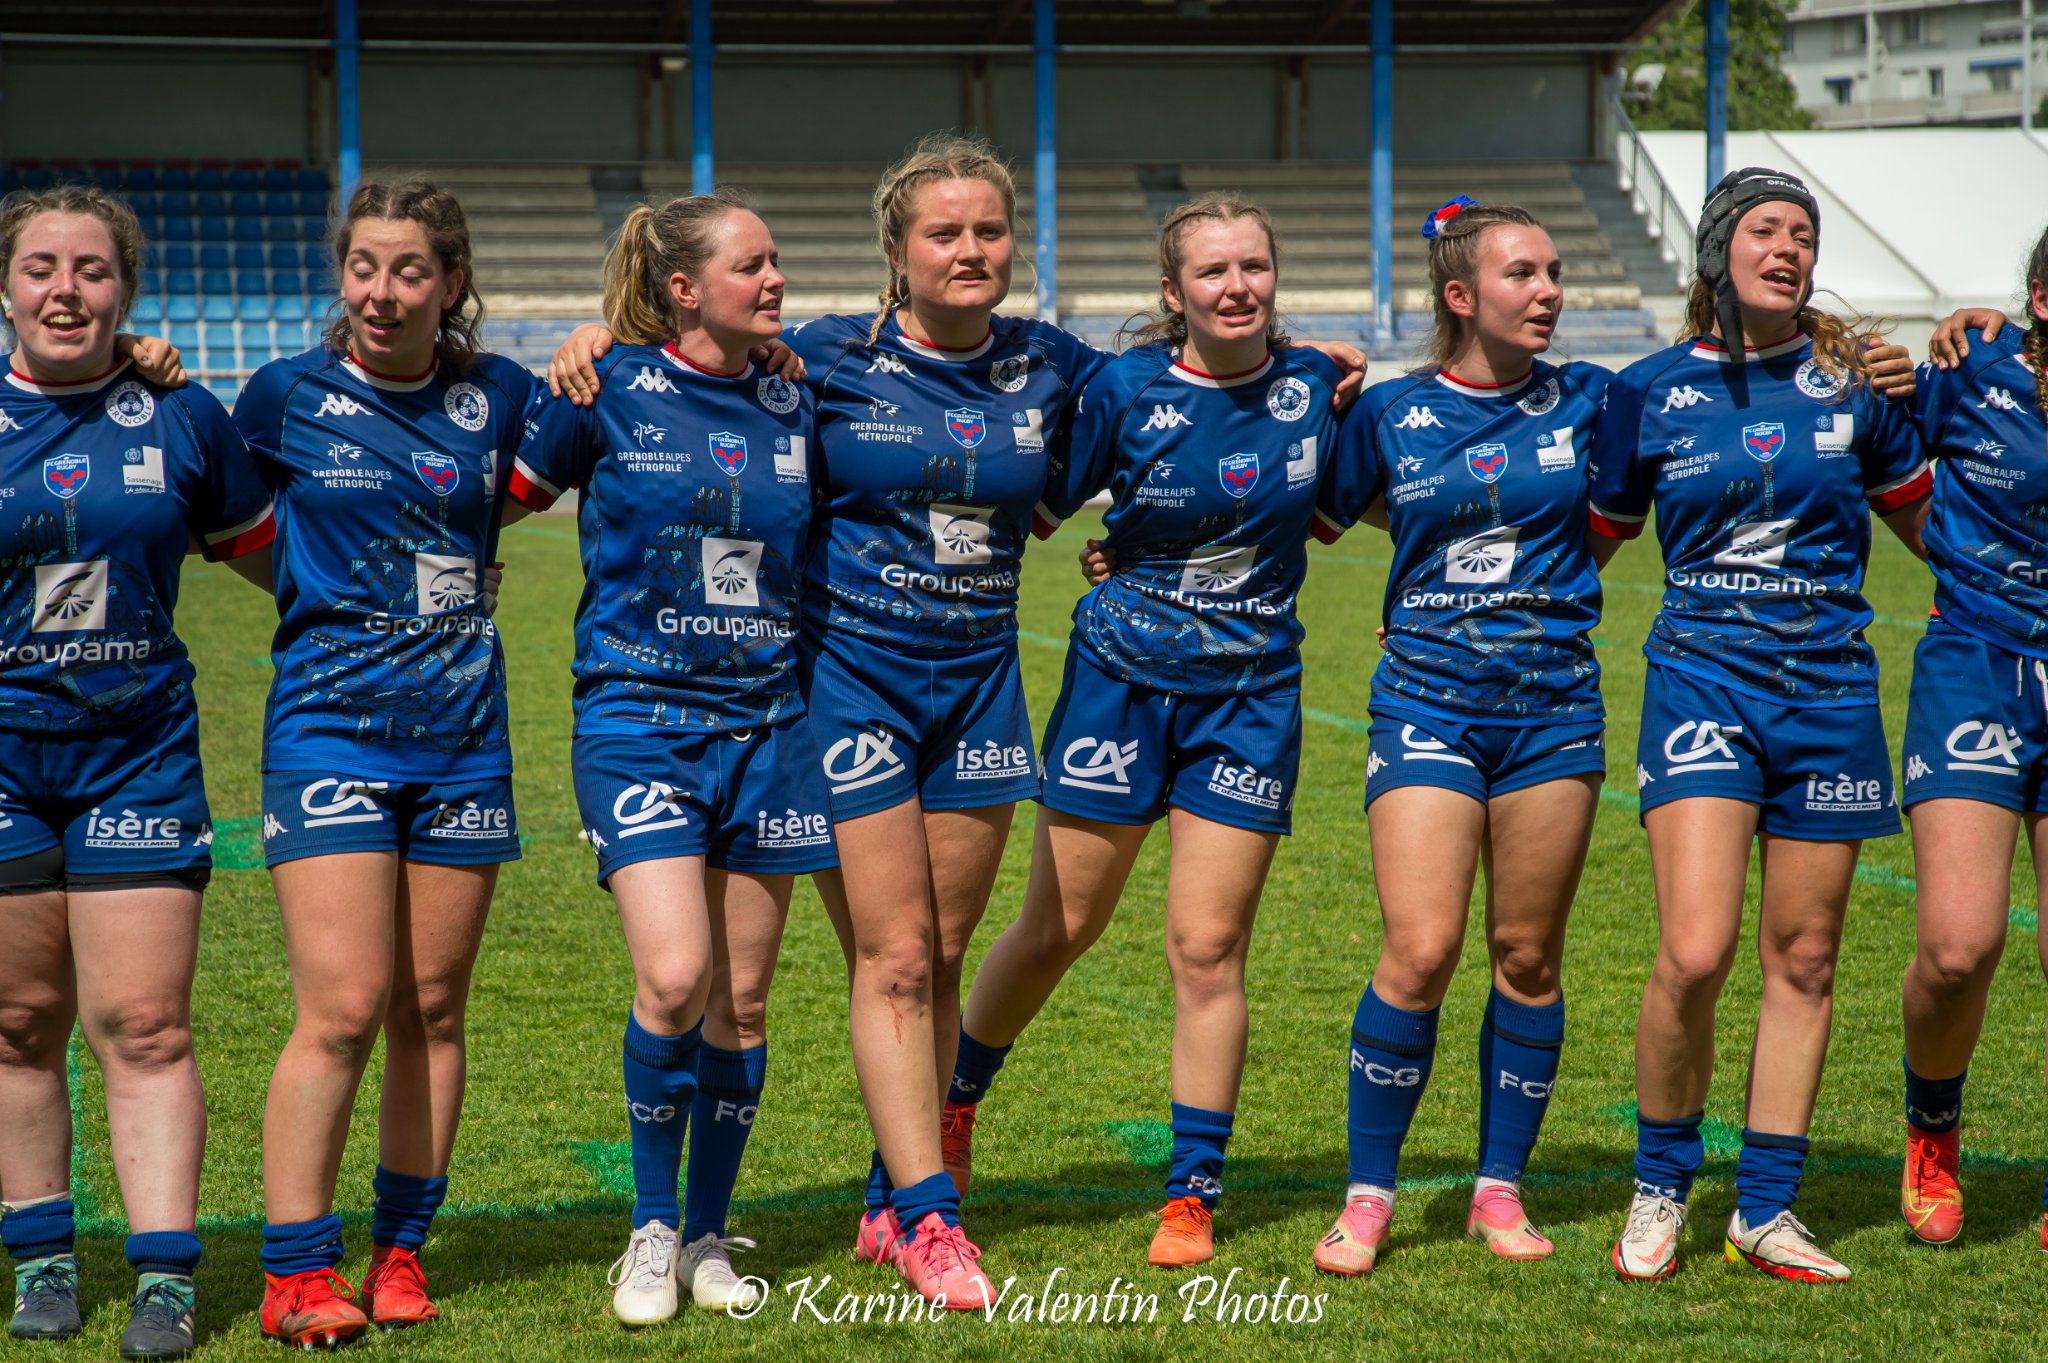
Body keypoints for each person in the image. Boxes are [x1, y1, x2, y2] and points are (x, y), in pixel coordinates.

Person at [547, 136, 1362, 1309]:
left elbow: (1186, 375)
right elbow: (690, 372)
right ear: (896, 252)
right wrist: (597, 341)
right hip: (848, 686)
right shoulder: (816, 360)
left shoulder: (1056, 368)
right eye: (945, 233)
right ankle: (931, 1220)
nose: (971, 250)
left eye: (988, 231)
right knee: (886, 955)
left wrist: (1305, 355)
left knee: (934, 953)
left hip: (978, 687)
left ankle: (890, 1192)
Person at [949, 195, 1342, 1269]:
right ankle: (953, 1102)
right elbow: (1030, 514)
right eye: (1210, 271)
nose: (1235, 286)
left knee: (1206, 948)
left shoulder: (1319, 386)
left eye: (1252, 265)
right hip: (1117, 684)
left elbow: (1332, 506)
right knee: (1058, 926)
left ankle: (1190, 1194)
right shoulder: (1121, 390)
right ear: (1173, 295)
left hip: (1251, 701)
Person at [1589, 168, 1931, 1283]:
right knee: (1693, 950)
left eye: (1801, 234)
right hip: (1701, 687)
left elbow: (1934, 529)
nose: (1785, 248)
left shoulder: (1856, 389)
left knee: (1806, 955)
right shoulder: (1643, 393)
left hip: (1828, 693)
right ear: (1713, 253)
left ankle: (1766, 1208)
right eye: (1762, 231)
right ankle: (1658, 1184)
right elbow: (1581, 545)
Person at [509, 189, 830, 1325]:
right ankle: (647, 1227)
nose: (776, 277)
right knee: (675, 976)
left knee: (740, 1000)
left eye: (776, 258)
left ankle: (704, 1233)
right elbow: (484, 491)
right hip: (637, 719)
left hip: (771, 729)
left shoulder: (799, 392)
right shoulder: (609, 387)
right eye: (753, 263)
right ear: (684, 287)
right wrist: (577, 345)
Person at [232, 180, 533, 1346]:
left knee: (433, 1005)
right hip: (326, 731)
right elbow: (230, 528)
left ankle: (401, 1252)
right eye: (363, 266)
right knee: (344, 1006)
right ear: (341, 274)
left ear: (450, 285)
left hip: (463, 736)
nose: (381, 291)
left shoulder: (497, 396)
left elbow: (587, 441)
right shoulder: (282, 396)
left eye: (409, 270)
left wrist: (596, 336)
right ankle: (297, 1269)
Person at [1304, 197, 1612, 1275]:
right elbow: (1287, 514)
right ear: (1458, 295)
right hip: (1425, 702)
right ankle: (1368, 1192)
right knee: (1421, 945)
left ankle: (1497, 1187)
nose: (1547, 292)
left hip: (1554, 712)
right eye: (1521, 274)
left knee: (1525, 956)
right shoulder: (1385, 412)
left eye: (1553, 272)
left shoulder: (1593, 402)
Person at [0, 184, 275, 1360]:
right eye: (42, 268)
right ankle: (44, 1259)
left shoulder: (182, 417)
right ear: (6, 286)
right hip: (4, 761)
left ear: (128, 289)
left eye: (93, 271)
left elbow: (275, 561)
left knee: (146, 1021)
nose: (67, 290)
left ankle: (163, 1275)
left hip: (140, 758)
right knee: (17, 1022)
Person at [1891, 241, 2048, 1251]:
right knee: (1956, 947)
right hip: (1975, 662)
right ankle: (1930, 1133)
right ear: (2039, 299)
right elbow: (1882, 465)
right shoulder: (1972, 363)